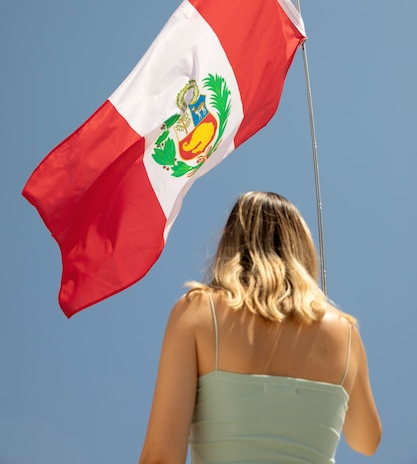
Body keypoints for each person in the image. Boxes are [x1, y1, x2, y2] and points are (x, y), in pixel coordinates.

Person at [139, 191, 381, 464]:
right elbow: (366, 441)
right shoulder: (345, 332)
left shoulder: (197, 312)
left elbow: (160, 457)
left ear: (230, 244)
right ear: (302, 248)